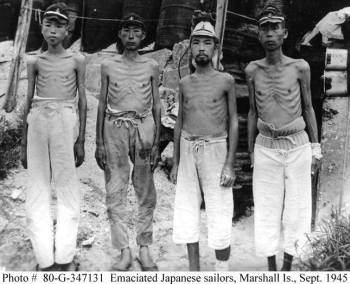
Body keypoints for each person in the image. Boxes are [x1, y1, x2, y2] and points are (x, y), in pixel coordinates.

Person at [245, 5, 322, 271]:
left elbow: (309, 107)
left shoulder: (300, 67)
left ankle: (288, 268)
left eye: (274, 27)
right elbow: (253, 112)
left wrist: (315, 147)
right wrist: (252, 152)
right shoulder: (252, 70)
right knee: (266, 207)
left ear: (285, 33)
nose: (269, 33)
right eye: (264, 28)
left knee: (297, 209)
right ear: (258, 34)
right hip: (266, 144)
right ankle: (271, 269)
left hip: (297, 143)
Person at [21, 2, 87, 271]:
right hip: (38, 119)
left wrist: (81, 139)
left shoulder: (77, 60)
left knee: (67, 188)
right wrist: (24, 143)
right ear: (42, 26)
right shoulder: (34, 60)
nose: (52, 30)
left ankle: (64, 258)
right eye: (48, 23)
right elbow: (28, 100)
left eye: (59, 25)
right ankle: (45, 260)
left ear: (67, 29)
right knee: (38, 188)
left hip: (64, 119)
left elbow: (83, 100)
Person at [170, 21, 238, 271]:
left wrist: (229, 163)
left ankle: (222, 270)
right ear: (190, 47)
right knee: (187, 209)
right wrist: (176, 162)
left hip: (216, 149)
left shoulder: (226, 80)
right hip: (188, 149)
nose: (201, 48)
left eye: (206, 42)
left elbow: (233, 121)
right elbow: (179, 123)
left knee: (220, 208)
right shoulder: (185, 83)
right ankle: (194, 271)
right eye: (196, 42)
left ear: (215, 47)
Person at [95, 13, 161, 271]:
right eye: (126, 31)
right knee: (115, 189)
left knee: (145, 190)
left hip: (144, 128)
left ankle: (144, 248)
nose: (131, 36)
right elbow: (101, 103)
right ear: (120, 35)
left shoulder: (151, 65)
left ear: (143, 36)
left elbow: (156, 104)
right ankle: (124, 249)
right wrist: (99, 141)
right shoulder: (108, 65)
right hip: (114, 129)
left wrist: (156, 142)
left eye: (136, 31)